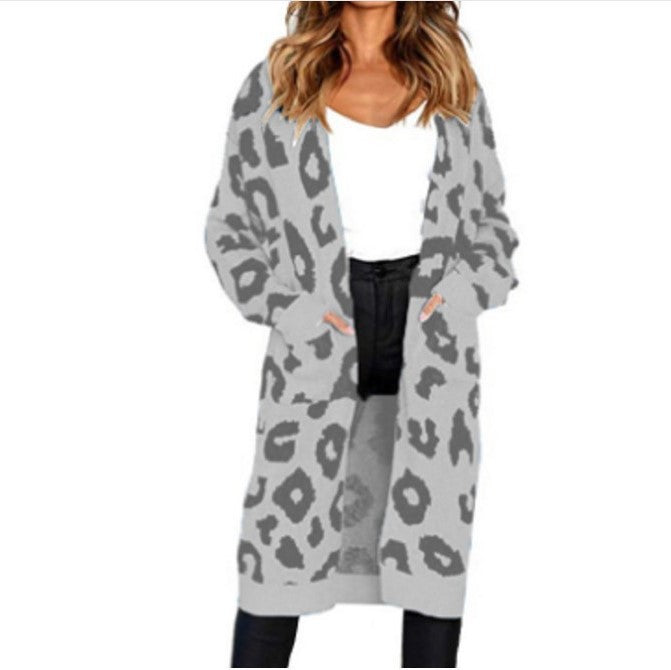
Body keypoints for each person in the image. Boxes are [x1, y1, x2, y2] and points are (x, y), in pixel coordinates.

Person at [204, 2, 519, 666]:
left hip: (431, 337)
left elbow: (492, 225)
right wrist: (289, 310)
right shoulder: (277, 81)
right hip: (319, 333)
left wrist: (461, 295)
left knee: (432, 551)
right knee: (280, 546)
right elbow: (229, 229)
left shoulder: (451, 78)